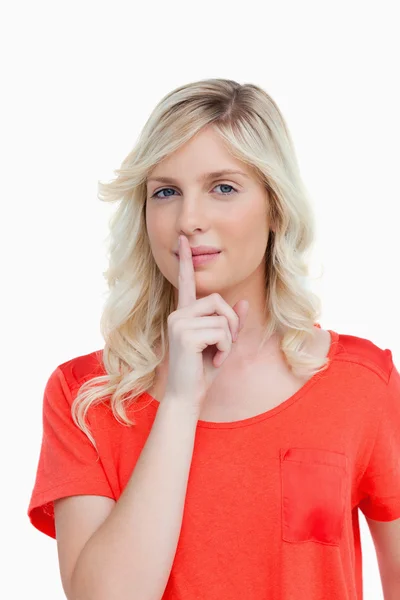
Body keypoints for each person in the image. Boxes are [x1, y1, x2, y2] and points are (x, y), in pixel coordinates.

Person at [27, 78, 400, 600]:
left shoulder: (362, 383)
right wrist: (180, 400)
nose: (189, 219)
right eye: (165, 192)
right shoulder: (84, 394)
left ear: (275, 207)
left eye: (223, 187)